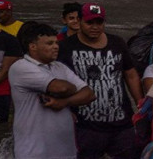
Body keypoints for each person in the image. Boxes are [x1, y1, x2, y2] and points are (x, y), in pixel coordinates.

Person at [57, 3, 144, 159]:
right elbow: (56, 81)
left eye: (99, 22)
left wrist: (140, 104)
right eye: (90, 22)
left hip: (121, 121)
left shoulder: (117, 42)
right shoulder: (65, 47)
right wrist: (66, 109)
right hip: (85, 123)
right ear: (79, 21)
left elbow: (130, 74)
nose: (95, 27)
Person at [9, 23, 96, 159]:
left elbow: (89, 94)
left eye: (56, 42)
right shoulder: (21, 67)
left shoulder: (59, 67)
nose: (56, 46)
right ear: (33, 46)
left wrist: (64, 101)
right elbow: (61, 88)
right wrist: (72, 89)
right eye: (49, 43)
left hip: (65, 151)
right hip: (33, 151)